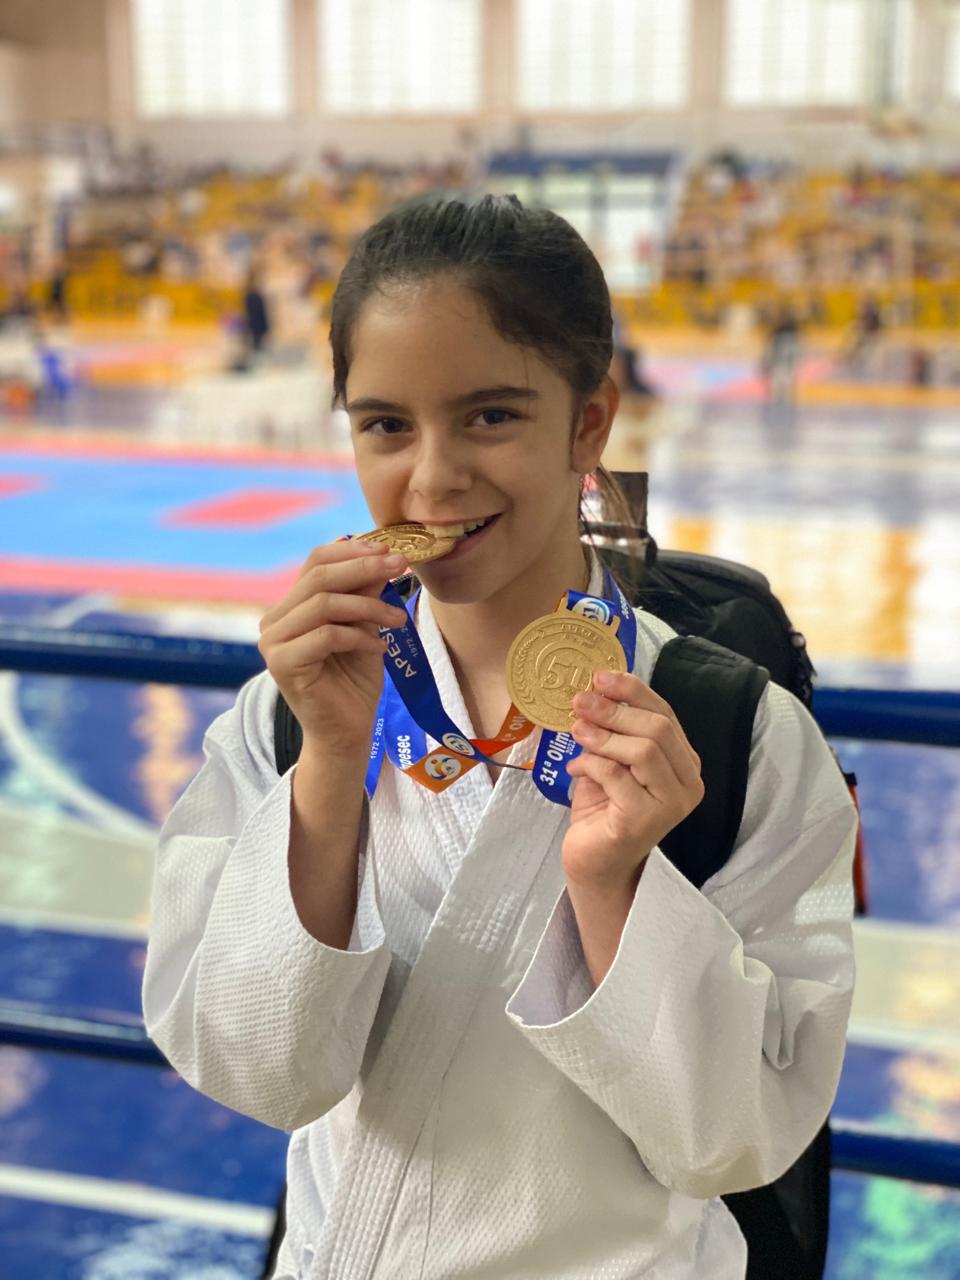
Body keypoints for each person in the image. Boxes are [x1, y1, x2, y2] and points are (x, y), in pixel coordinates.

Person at [142, 195, 858, 1280]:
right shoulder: (291, 711)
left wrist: (616, 887)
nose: (431, 477)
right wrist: (329, 768)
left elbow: (736, 1142)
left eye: (489, 417)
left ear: (589, 422)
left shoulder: (740, 737)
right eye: (386, 424)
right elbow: (260, 1073)